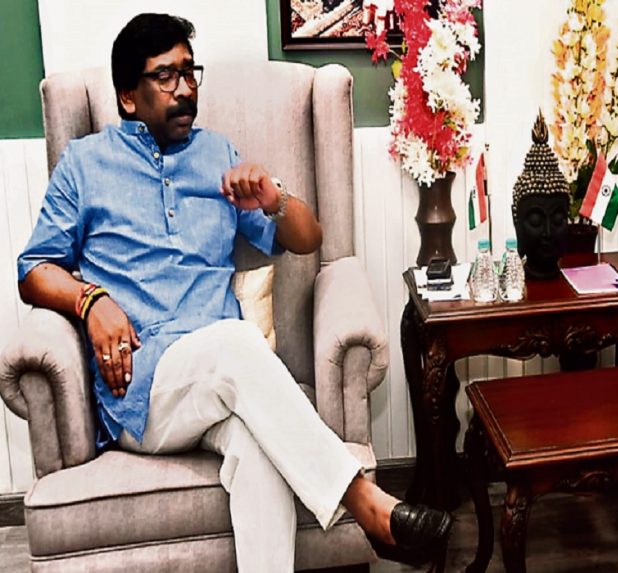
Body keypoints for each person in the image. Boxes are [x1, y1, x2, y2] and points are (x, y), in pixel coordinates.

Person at [17, 13, 451, 572]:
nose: (185, 89)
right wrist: (90, 301)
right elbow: (33, 270)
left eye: (189, 72)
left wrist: (274, 199)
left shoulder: (218, 155)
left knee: (259, 449)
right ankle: (366, 503)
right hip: (144, 391)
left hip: (226, 384)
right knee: (234, 341)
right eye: (165, 76)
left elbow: (308, 240)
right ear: (128, 96)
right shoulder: (85, 164)